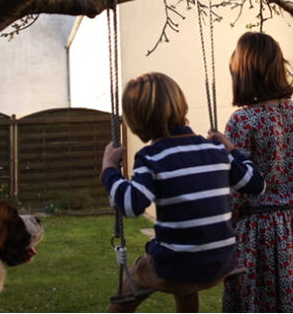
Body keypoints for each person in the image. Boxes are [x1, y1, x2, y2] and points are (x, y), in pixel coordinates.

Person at [100, 72, 266, 313]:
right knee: (186, 279)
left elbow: (130, 205)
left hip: (177, 267)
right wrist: (232, 150)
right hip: (222, 263)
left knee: (135, 278)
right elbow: (257, 185)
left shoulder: (151, 157)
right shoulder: (216, 150)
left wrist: (108, 170)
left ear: (137, 120)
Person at [222, 31, 293, 313]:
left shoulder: (243, 121)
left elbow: (237, 189)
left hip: (256, 233)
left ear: (245, 70)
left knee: (254, 306)